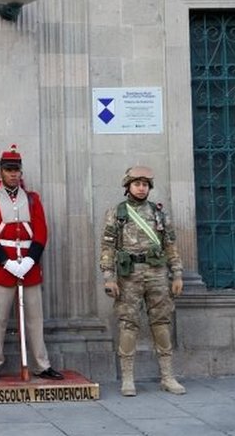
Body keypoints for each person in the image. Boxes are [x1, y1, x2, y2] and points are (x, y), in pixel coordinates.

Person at [0, 145, 64, 383]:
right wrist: (6, 262)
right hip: (2, 266)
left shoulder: (33, 199)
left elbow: (41, 231)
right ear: (1, 172)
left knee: (35, 318)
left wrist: (30, 260)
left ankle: (41, 364)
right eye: (9, 170)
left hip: (29, 266)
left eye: (16, 170)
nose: (13, 174)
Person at [100, 166, 186, 397]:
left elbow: (170, 246)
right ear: (128, 186)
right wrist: (109, 277)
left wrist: (177, 274)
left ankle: (167, 376)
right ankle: (128, 378)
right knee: (128, 324)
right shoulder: (118, 213)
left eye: (145, 185)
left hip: (157, 273)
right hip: (129, 275)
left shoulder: (159, 214)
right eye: (137, 184)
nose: (141, 188)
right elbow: (108, 247)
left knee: (162, 324)